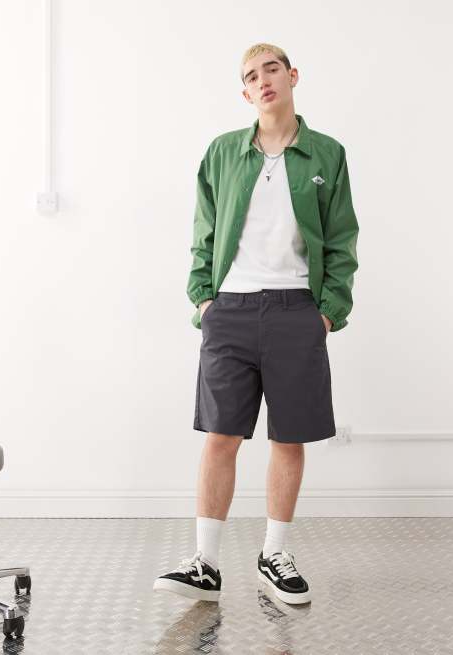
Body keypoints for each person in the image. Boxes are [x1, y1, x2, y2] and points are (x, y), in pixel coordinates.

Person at [153, 42, 359, 605]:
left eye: (272, 69)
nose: (263, 80)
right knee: (221, 436)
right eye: (251, 75)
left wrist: (327, 313)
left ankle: (274, 555)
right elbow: (203, 232)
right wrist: (204, 300)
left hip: (297, 310)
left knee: (288, 438)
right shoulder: (222, 152)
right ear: (244, 93)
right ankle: (205, 563)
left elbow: (342, 238)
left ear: (292, 76)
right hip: (231, 311)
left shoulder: (327, 154)